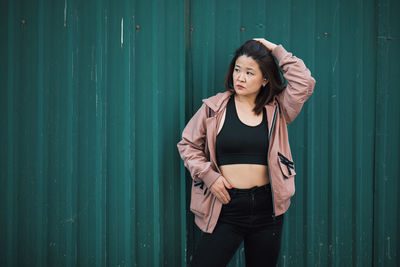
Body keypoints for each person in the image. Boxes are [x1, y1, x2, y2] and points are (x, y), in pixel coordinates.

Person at [177, 38, 316, 267]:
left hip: (267, 208)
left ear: (264, 79)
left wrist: (276, 50)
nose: (240, 77)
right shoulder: (214, 108)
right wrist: (209, 176)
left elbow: (304, 82)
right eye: (237, 70)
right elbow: (187, 144)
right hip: (226, 206)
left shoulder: (278, 109)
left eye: (250, 73)